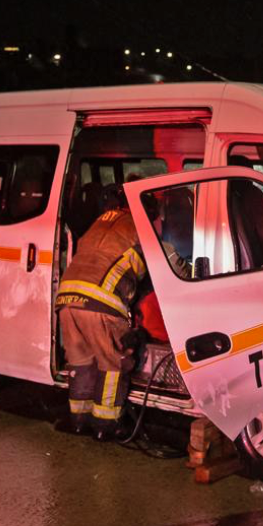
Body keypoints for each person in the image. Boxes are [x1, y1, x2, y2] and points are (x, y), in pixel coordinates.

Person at [54, 188, 147, 440]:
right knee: (113, 362)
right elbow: (166, 261)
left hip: (67, 298)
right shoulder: (141, 226)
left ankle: (79, 420)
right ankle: (106, 426)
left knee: (81, 361)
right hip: (101, 302)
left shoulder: (102, 219)